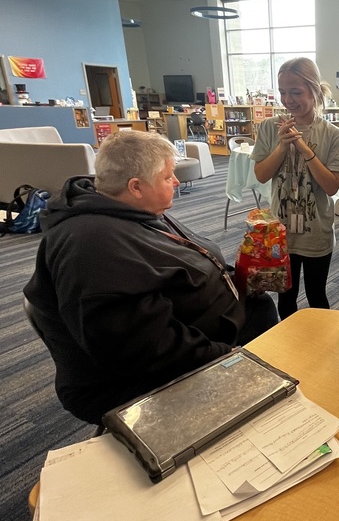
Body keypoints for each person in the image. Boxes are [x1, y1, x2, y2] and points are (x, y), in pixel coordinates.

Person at [24, 131, 278, 425]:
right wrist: (228, 357)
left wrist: (238, 281)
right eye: (168, 177)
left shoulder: (127, 209)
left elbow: (180, 260)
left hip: (211, 332)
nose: (177, 182)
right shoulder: (93, 248)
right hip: (150, 374)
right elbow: (145, 349)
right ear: (136, 187)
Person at [252, 57, 339, 319]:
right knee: (285, 296)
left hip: (316, 231)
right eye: (283, 92)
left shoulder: (332, 135)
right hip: (281, 232)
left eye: (296, 92)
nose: (288, 99)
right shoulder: (269, 128)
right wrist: (282, 147)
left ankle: (322, 349)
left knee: (317, 296)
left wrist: (304, 149)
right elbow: (261, 175)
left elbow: (331, 187)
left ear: (315, 91)